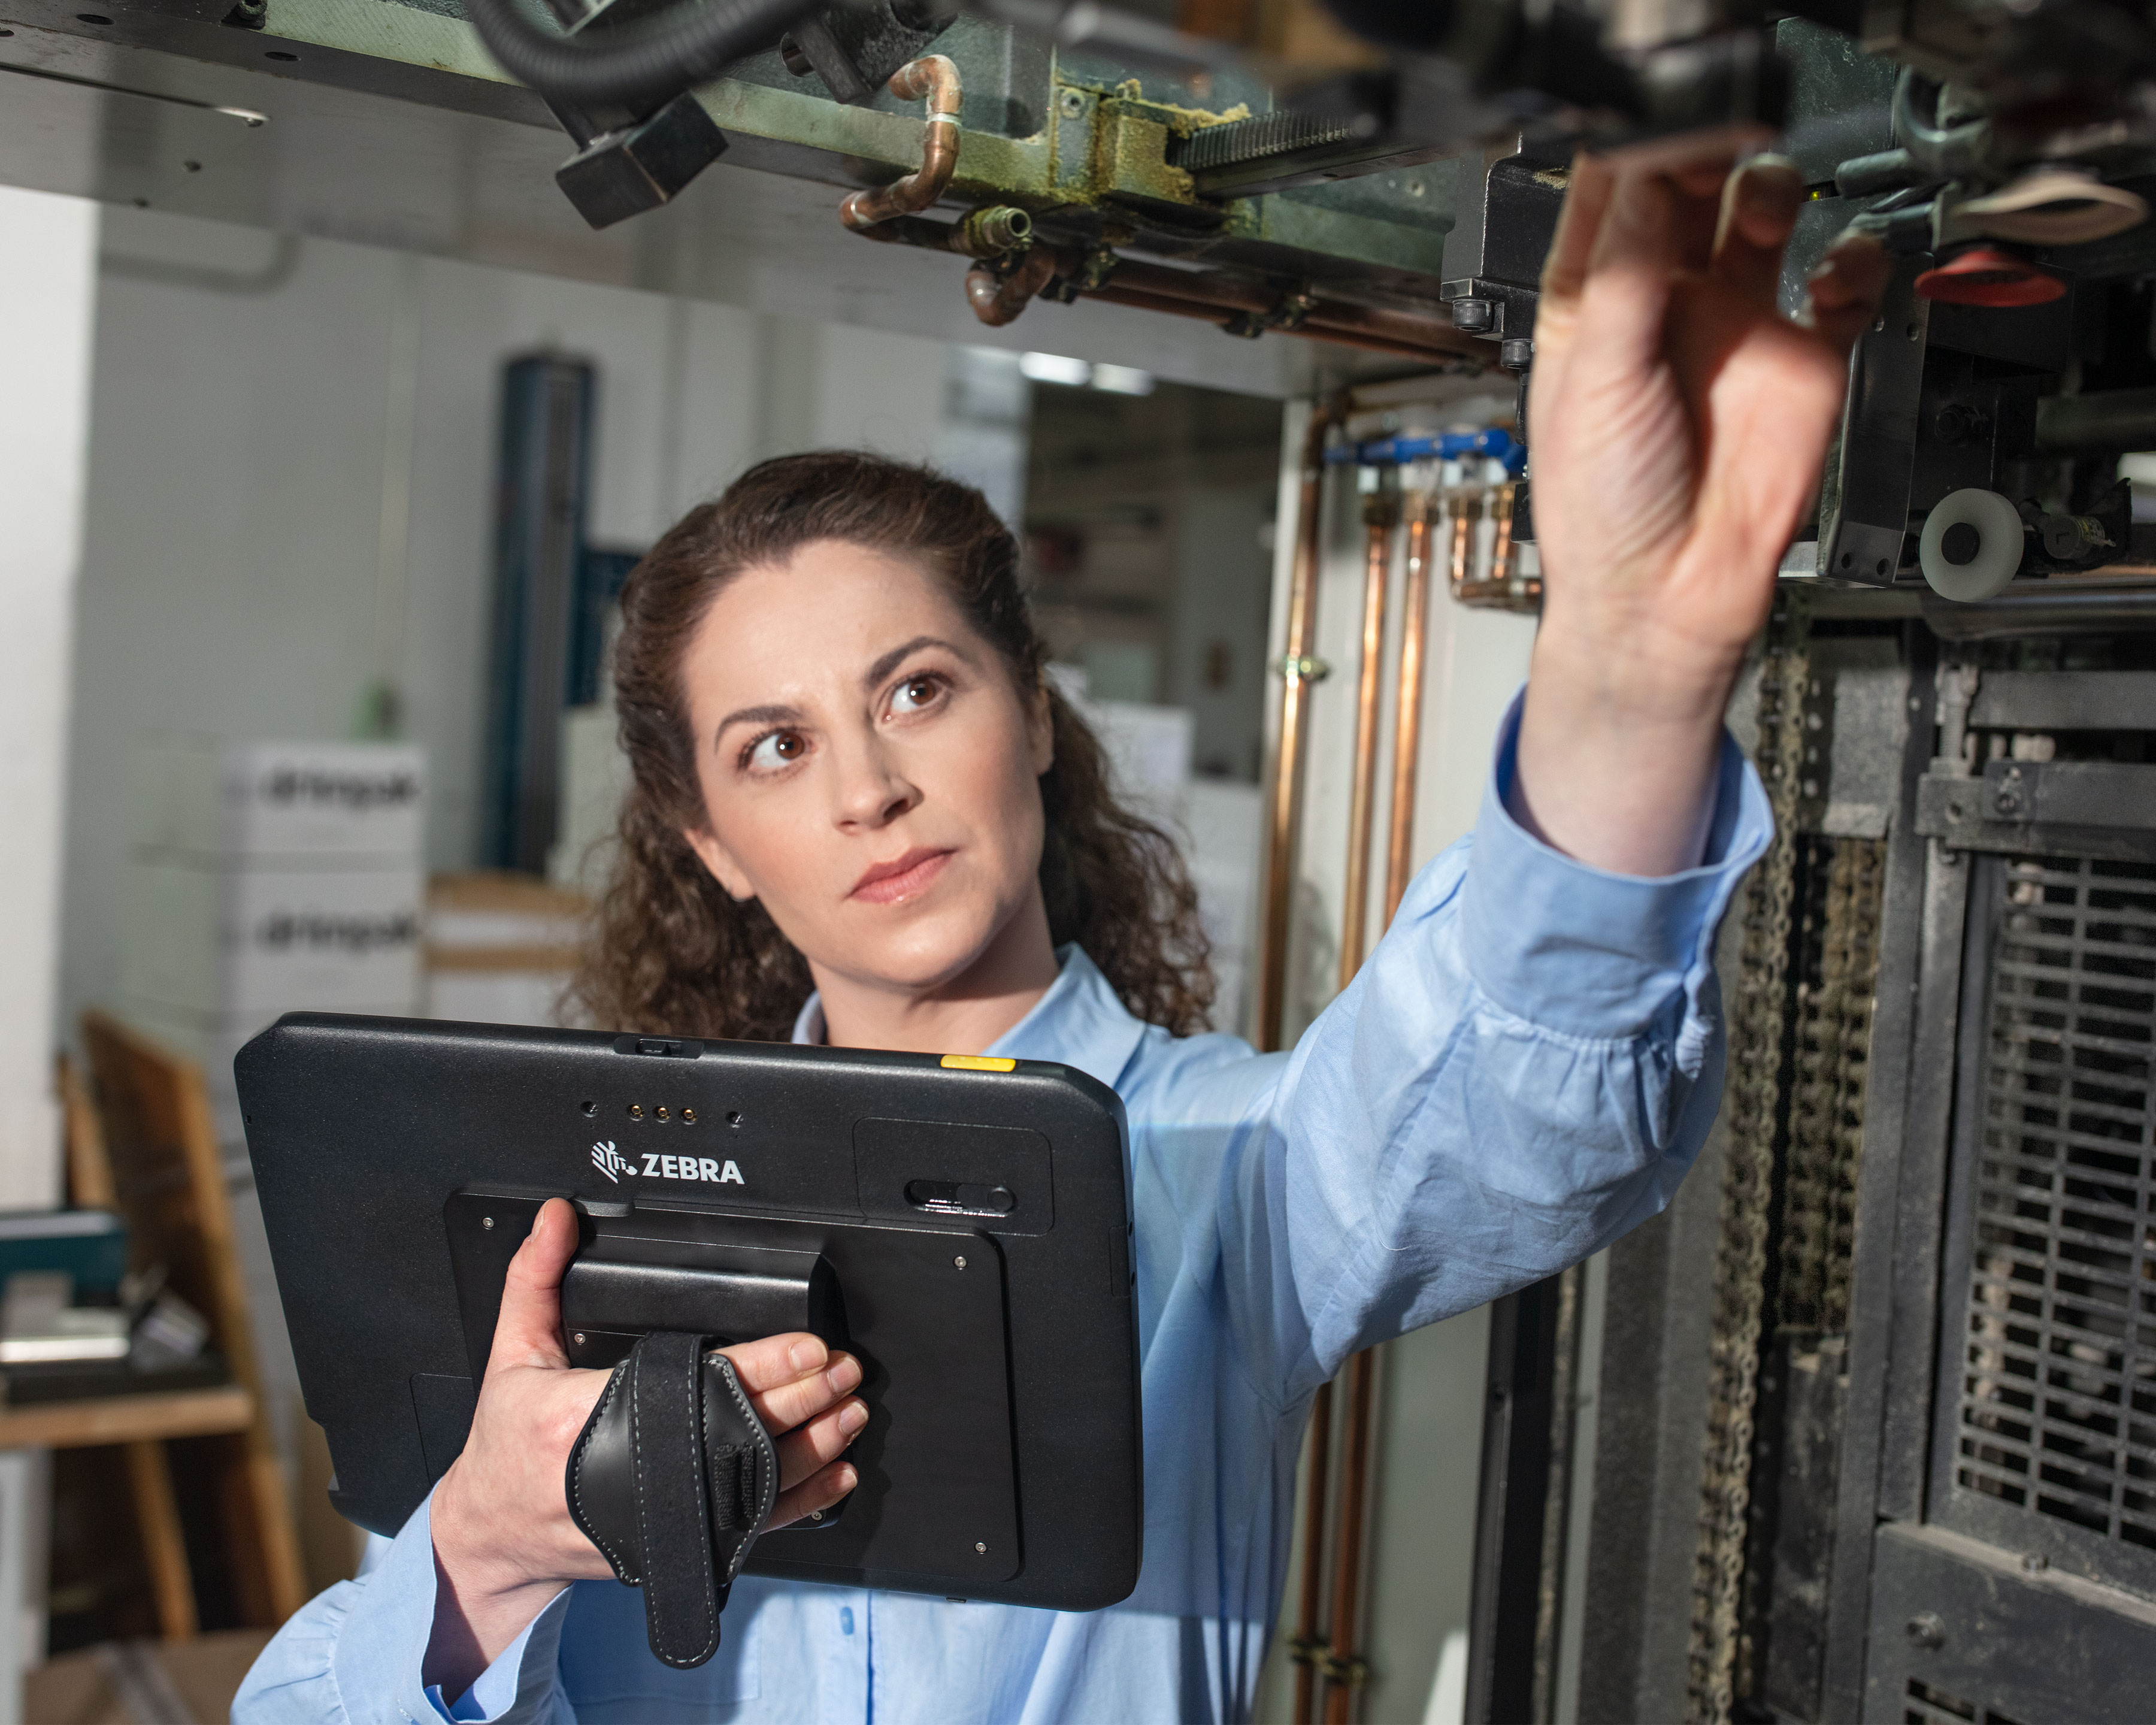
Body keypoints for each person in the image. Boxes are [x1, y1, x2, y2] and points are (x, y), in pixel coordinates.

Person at [236, 152, 1889, 1724]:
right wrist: (487, 1546)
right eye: (777, 748)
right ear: (710, 849)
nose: (872, 789)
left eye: (917, 690)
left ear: (1030, 716)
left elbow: (1510, 1098)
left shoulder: (1218, 1171)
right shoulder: (571, 1234)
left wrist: (1630, 665)